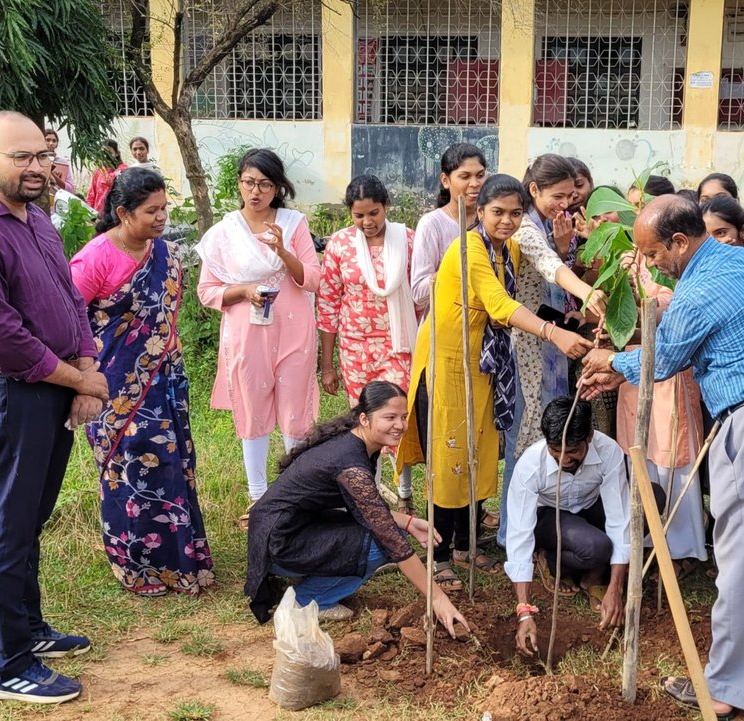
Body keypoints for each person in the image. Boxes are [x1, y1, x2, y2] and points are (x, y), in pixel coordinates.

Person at [580, 196, 744, 719]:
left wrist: (609, 358)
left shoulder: (697, 291)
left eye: (653, 254)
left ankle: (727, 692)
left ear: (679, 241)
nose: (651, 265)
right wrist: (623, 370)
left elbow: (665, 356)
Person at [0, 110, 102, 704]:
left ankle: (30, 630)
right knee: (8, 525)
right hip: (11, 392)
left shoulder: (38, 221)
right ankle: (4, 665)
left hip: (54, 386)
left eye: (41, 156)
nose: (37, 168)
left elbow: (71, 301)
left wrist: (85, 370)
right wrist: (76, 380)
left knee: (31, 517)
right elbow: (1, 338)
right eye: (21, 158)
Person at [396, 174, 593, 593]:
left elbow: (548, 266)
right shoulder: (468, 249)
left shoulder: (510, 249)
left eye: (514, 213)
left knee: (481, 448)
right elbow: (500, 303)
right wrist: (553, 333)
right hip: (448, 363)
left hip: (484, 363)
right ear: (479, 212)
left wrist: (582, 296)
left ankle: (467, 543)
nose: (506, 220)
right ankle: (441, 552)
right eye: (497, 212)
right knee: (449, 458)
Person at [69, 167, 217, 597]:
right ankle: (135, 567)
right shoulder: (95, 257)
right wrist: (81, 380)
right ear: (122, 212)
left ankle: (180, 560)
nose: (161, 218)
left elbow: (165, 321)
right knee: (128, 471)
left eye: (164, 208)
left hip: (166, 381)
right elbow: (68, 318)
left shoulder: (167, 255)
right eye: (151, 210)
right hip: (113, 385)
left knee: (172, 466)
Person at [245, 382, 472, 633]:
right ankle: (310, 599)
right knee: (379, 544)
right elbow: (389, 537)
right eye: (390, 417)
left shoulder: (357, 442)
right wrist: (438, 598)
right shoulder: (350, 464)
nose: (400, 425)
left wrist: (408, 522)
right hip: (278, 543)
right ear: (364, 418)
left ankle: (314, 573)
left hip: (287, 529)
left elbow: (367, 508)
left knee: (381, 531)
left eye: (404, 417)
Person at [195, 148, 320, 502]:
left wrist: (283, 252)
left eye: (265, 184)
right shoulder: (223, 233)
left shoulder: (293, 224)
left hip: (294, 330)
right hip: (246, 334)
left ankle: (294, 493)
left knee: (295, 410)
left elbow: (312, 278)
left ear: (277, 187)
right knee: (252, 409)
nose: (256, 191)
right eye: (249, 182)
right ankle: (258, 496)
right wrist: (244, 290)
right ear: (238, 184)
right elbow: (206, 291)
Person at [506, 154, 610, 536]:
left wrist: (567, 243)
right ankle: (513, 527)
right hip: (528, 342)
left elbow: (560, 262)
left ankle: (534, 523)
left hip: (551, 340)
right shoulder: (524, 228)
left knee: (541, 427)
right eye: (558, 195)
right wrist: (587, 292)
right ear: (534, 190)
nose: (565, 203)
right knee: (525, 435)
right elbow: (551, 266)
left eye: (571, 195)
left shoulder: (551, 223)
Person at [507, 397, 650, 654]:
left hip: (589, 507)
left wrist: (616, 589)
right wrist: (524, 611)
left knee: (650, 503)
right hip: (549, 519)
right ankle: (550, 558)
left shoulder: (608, 452)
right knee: (596, 547)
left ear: (590, 436)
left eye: (572, 451)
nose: (564, 459)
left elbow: (620, 518)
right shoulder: (530, 465)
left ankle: (594, 577)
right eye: (555, 450)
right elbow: (519, 536)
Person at [317, 174, 417, 511]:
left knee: (396, 417)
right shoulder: (340, 245)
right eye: (359, 215)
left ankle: (405, 491)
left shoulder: (407, 240)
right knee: (366, 421)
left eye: (373, 213)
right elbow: (329, 303)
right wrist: (327, 365)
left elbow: (420, 299)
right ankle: (369, 497)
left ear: (385, 207)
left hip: (397, 345)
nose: (367, 222)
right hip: (355, 349)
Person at [612, 254, 709, 576]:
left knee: (672, 456)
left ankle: (680, 549)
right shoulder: (622, 267)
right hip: (631, 370)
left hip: (669, 373)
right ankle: (647, 541)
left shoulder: (678, 274)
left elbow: (669, 323)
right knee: (641, 452)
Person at [412, 143, 487, 318]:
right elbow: (418, 293)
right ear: (446, 180)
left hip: (486, 328)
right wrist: (454, 267)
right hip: (445, 326)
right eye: (465, 176)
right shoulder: (432, 224)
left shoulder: (491, 221)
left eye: (480, 175)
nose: (475, 183)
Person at [86, 139, 127, 211]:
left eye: (109, 153)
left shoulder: (123, 169)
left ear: (117, 153)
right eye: (104, 154)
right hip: (97, 213)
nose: (106, 156)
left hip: (115, 213)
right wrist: (88, 210)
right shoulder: (98, 170)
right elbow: (92, 193)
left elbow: (110, 181)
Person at [43, 128, 74, 193]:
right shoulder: (36, 160)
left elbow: (70, 189)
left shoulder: (62, 163)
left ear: (57, 144)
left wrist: (53, 175)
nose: (51, 143)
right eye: (47, 140)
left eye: (54, 141)